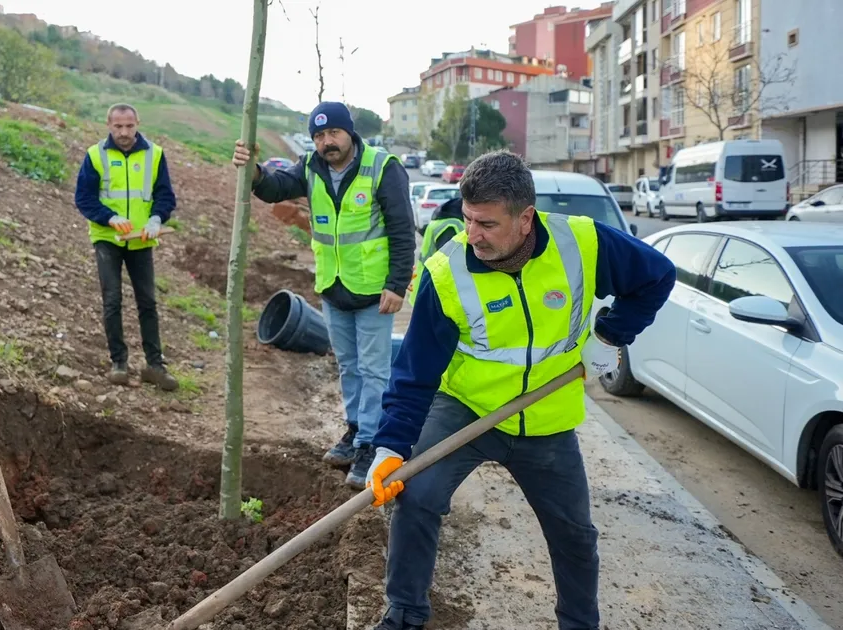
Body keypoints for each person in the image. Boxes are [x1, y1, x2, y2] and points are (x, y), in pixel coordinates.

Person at [365, 151, 677, 630]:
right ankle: (404, 614)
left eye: (487, 224)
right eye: (468, 219)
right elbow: (415, 371)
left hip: (546, 417)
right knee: (417, 496)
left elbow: (657, 276)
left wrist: (611, 334)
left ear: (525, 218)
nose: (472, 234)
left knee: (574, 534)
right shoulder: (447, 272)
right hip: (467, 409)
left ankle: (579, 624)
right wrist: (391, 446)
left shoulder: (582, 243)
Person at [231, 101, 416, 489]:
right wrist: (255, 172)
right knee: (348, 365)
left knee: (374, 370)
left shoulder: (382, 167)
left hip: (374, 290)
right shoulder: (311, 167)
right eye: (319, 136)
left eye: (333, 133)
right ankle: (355, 430)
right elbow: (276, 188)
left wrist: (397, 285)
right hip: (333, 287)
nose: (327, 142)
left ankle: (370, 445)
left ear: (349, 133)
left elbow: (402, 230)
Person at [74, 103, 179, 391]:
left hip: (141, 239)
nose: (124, 132)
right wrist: (110, 217)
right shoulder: (95, 155)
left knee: (148, 302)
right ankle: (119, 363)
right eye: (118, 126)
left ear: (137, 124)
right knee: (112, 300)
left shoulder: (154, 154)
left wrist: (157, 218)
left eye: (129, 126)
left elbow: (165, 195)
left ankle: (155, 366)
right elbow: (84, 198)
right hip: (108, 238)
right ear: (109, 125)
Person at [406, 196, 464, 308]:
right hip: (435, 295)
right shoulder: (451, 225)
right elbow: (448, 265)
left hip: (425, 288)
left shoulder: (444, 218)